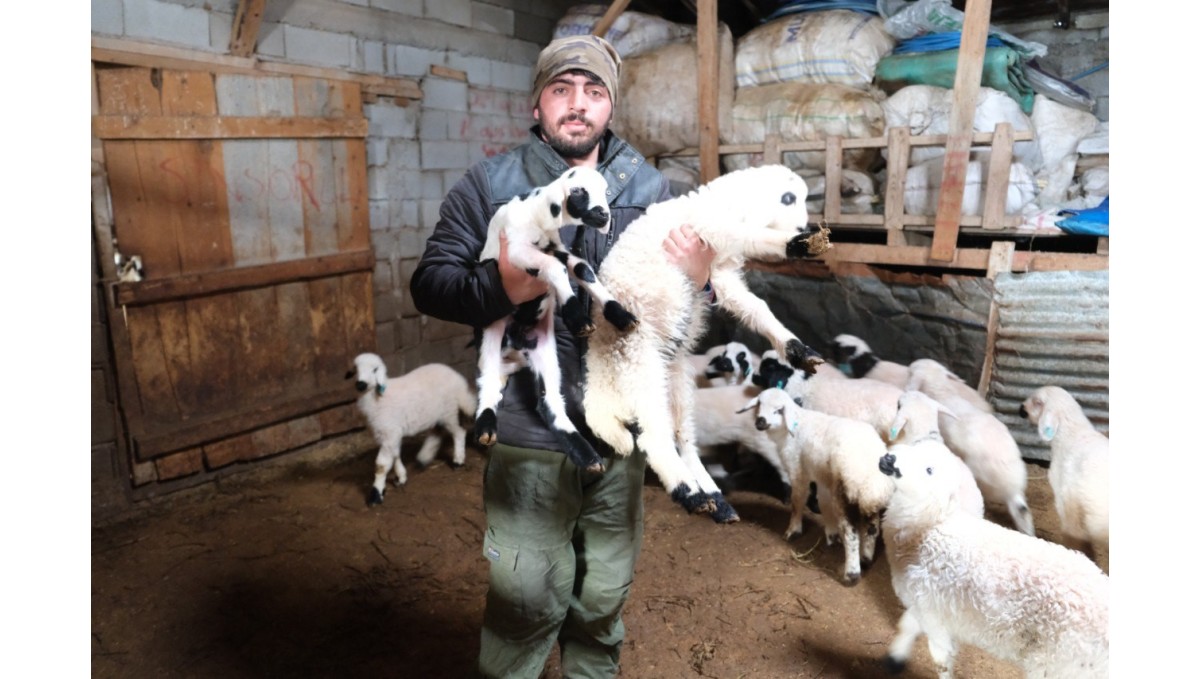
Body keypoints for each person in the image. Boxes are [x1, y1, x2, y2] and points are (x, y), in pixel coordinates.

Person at [410, 34, 715, 679]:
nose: (577, 105)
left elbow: (684, 301)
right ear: (538, 104)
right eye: (562, 90)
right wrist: (500, 286)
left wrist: (701, 276)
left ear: (610, 107)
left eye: (594, 92)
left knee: (603, 595)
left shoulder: (651, 186)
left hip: (620, 425)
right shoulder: (491, 184)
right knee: (526, 598)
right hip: (528, 430)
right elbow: (430, 281)